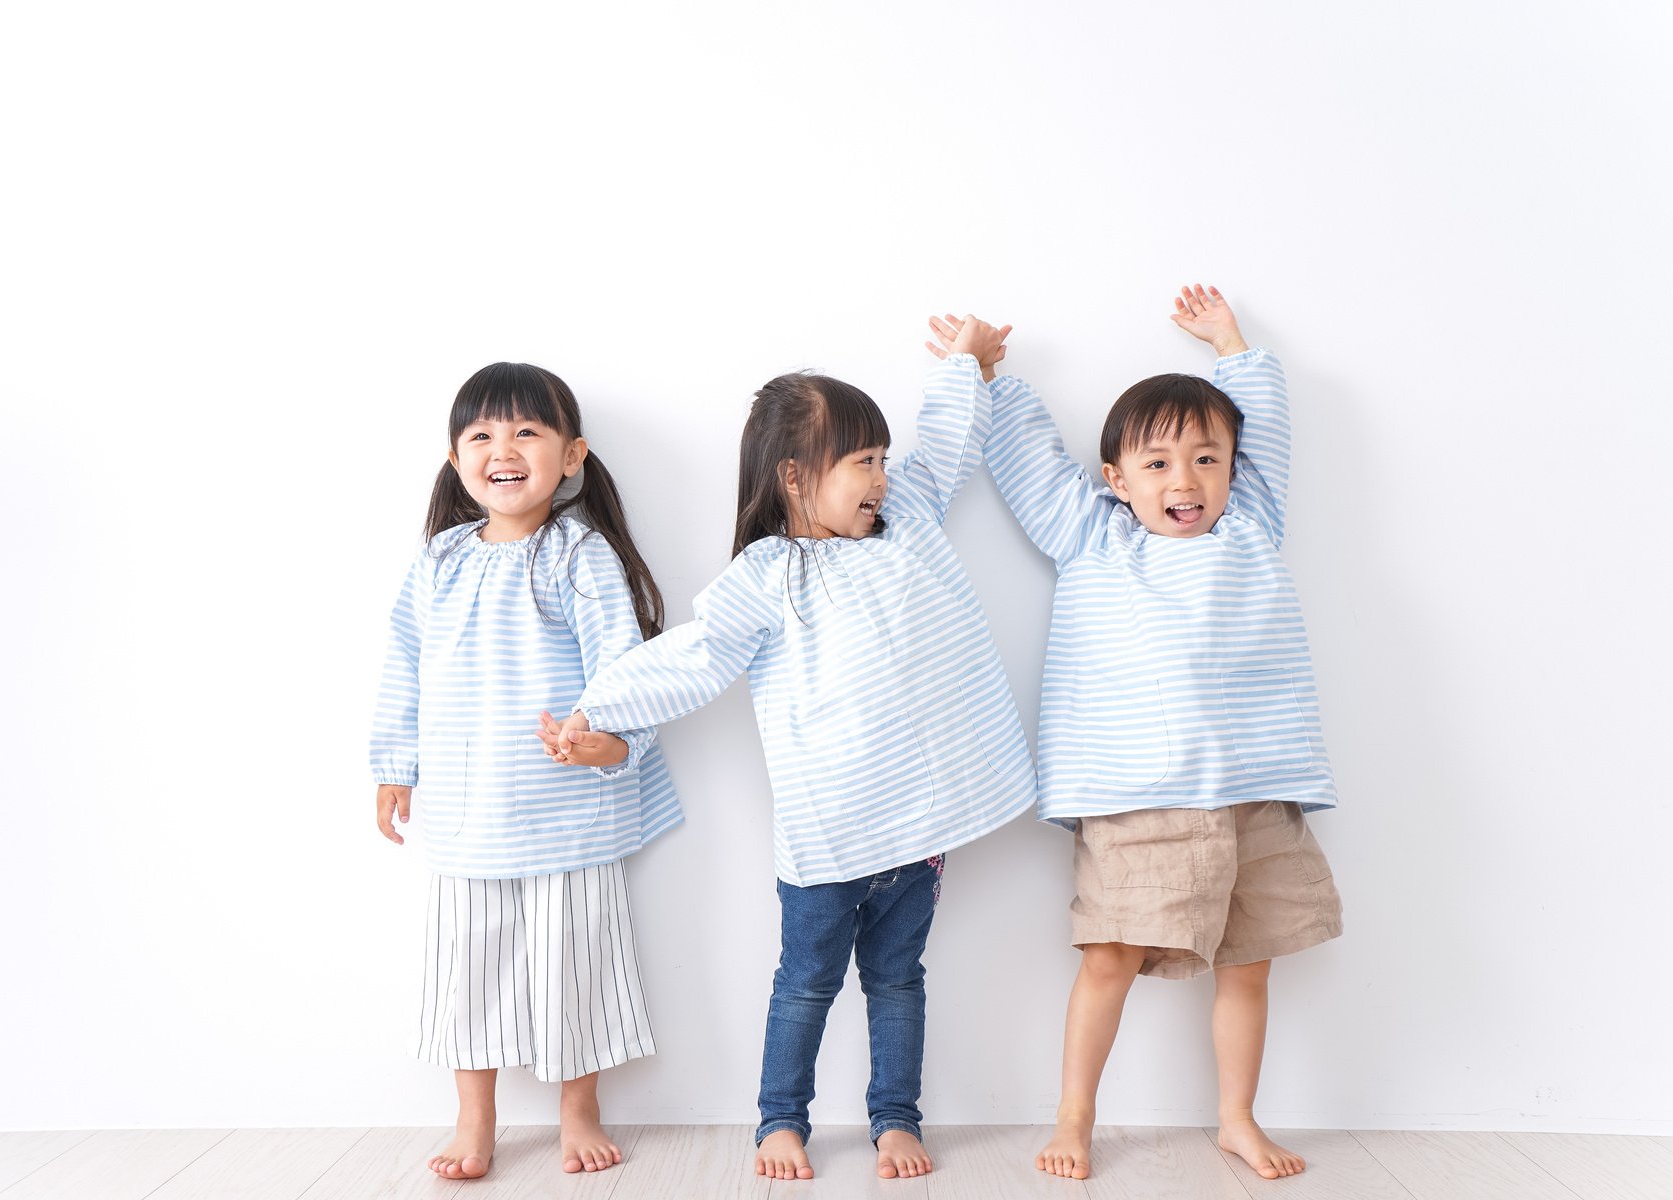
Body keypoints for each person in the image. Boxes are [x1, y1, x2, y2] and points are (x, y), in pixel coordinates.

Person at [542, 318, 1035, 1181]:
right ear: (796, 477)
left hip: (917, 832)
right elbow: (693, 656)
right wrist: (599, 704)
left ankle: (894, 1120)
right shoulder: (769, 573)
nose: (883, 476)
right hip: (830, 836)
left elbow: (949, 443)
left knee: (899, 982)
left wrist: (966, 365)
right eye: (863, 462)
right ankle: (780, 1121)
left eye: (883, 457)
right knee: (804, 986)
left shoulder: (908, 518)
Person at [932, 286, 1342, 1182]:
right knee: (1109, 957)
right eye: (1156, 465)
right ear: (1116, 481)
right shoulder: (1093, 537)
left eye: (1206, 460)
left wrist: (1235, 347)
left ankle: (1237, 1116)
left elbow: (1265, 433)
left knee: (1250, 963)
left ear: (1233, 472)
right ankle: (1075, 1116)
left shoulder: (1252, 528)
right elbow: (1034, 466)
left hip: (1254, 794)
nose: (1185, 482)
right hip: (1134, 798)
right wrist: (990, 376)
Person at [370, 362, 681, 1180]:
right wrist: (394, 767)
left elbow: (621, 665)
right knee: (463, 973)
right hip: (468, 815)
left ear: (571, 455)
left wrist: (601, 736)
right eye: (481, 435)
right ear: (454, 457)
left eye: (526, 432)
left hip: (563, 812)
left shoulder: (578, 554)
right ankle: (476, 1118)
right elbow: (404, 666)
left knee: (574, 965)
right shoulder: (438, 560)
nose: (501, 448)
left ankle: (580, 1107)